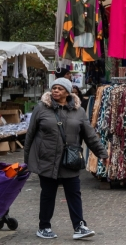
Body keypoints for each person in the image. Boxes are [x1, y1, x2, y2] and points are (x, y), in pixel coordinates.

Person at [24, 78, 108, 240]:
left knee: (74, 193)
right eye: (54, 88)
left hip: (70, 160)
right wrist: (28, 161)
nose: (55, 91)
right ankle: (44, 227)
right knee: (48, 194)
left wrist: (102, 154)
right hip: (46, 159)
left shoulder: (79, 111)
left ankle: (79, 226)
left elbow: (89, 135)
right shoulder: (41, 108)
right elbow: (30, 135)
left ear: (68, 92)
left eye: (60, 89)